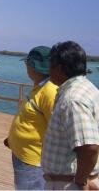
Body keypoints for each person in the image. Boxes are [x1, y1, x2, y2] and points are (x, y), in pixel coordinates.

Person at [42, 41, 99, 190]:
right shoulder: (88, 89)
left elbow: (90, 147)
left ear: (60, 68)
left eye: (50, 66)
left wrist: (81, 180)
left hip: (69, 184)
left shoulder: (72, 99)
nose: (48, 70)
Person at [4, 46, 58, 190]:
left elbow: (59, 130)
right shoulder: (39, 87)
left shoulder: (50, 91)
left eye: (27, 63)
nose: (26, 67)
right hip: (22, 155)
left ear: (33, 66)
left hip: (33, 161)